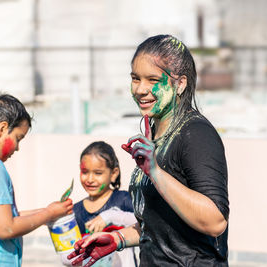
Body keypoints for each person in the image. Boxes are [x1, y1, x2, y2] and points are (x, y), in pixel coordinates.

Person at [68, 34, 229, 267]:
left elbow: (215, 221)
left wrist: (155, 171)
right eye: (135, 78)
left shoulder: (196, 133)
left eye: (153, 79)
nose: (141, 89)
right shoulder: (154, 134)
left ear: (180, 84)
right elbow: (157, 225)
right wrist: (117, 239)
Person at [0, 93, 73, 266]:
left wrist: (48, 211)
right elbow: (6, 228)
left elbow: (2, 216)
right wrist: (48, 214)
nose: (18, 148)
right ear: (2, 129)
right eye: (18, 138)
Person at [65, 141, 137, 267]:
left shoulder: (123, 199)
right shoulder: (76, 211)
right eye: (85, 172)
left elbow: (146, 225)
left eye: (98, 173)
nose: (90, 179)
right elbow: (68, 256)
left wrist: (110, 216)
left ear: (114, 174)